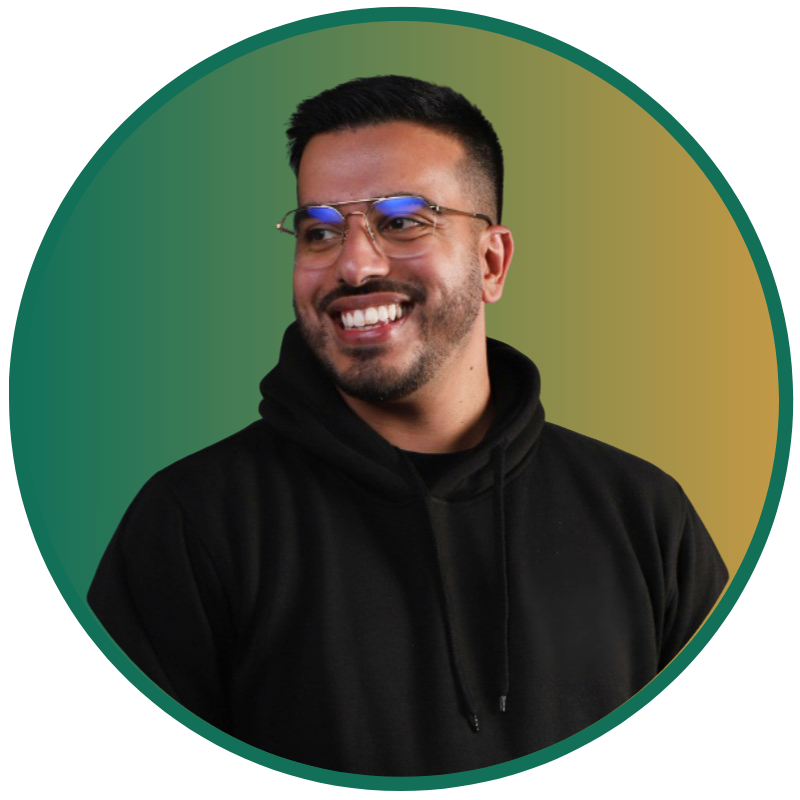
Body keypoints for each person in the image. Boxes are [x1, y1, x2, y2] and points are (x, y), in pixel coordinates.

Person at [87, 75, 728, 776]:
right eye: (320, 231)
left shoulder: (644, 516)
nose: (354, 265)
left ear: (492, 261)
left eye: (401, 221)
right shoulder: (191, 523)